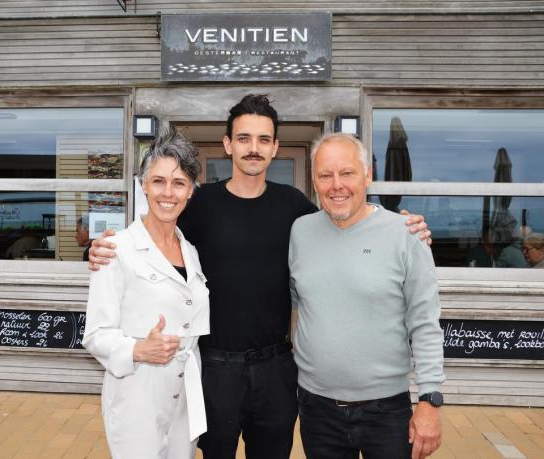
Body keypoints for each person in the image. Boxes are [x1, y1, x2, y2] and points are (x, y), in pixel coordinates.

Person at [88, 94, 431, 459]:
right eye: (244, 138)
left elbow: (343, 216)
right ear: (228, 145)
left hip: (276, 370)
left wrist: (395, 225)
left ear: (275, 148)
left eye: (263, 139)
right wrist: (97, 249)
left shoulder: (294, 207)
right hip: (215, 369)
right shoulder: (199, 204)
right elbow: (154, 235)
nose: (254, 148)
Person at [289, 133, 444, 459]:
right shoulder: (300, 231)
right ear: (314, 181)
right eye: (325, 175)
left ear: (367, 175)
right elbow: (291, 300)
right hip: (316, 408)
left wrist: (430, 400)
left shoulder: (406, 234)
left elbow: (425, 323)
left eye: (347, 173)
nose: (337, 185)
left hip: (386, 411)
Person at [83, 128, 209, 459]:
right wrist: (138, 349)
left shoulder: (190, 251)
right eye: (158, 181)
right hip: (137, 394)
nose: (168, 192)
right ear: (143, 185)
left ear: (190, 190)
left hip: (184, 395)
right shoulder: (116, 249)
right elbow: (95, 334)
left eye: (179, 183)